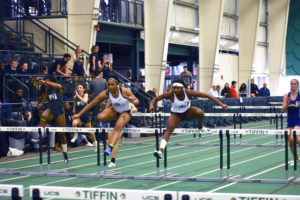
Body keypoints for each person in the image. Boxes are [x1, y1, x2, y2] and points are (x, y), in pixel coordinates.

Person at [149, 79, 227, 159]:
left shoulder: (188, 92)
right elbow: (155, 99)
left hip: (187, 113)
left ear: (182, 88)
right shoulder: (171, 94)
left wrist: (221, 104)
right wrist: (151, 105)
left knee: (200, 112)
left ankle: (200, 127)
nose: (175, 90)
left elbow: (207, 96)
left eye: (177, 88)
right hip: (176, 115)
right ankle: (160, 151)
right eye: (174, 88)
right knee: (168, 130)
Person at [73, 75, 139, 156]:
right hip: (115, 111)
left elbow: (137, 101)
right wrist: (79, 114)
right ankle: (106, 123)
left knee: (118, 126)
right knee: (99, 117)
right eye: (109, 85)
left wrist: (132, 100)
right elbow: (91, 103)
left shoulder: (124, 91)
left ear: (117, 84)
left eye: (112, 85)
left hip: (126, 112)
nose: (110, 87)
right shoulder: (106, 92)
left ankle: (110, 148)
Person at [37, 75, 69, 163]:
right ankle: (40, 135)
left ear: (51, 81)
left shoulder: (57, 87)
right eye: (45, 81)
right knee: (43, 115)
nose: (45, 83)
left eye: (47, 81)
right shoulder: (47, 89)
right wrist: (41, 103)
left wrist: (45, 82)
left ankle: (65, 154)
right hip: (51, 111)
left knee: (62, 135)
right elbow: (45, 96)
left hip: (60, 113)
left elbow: (58, 86)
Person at [105, 100, 138, 168]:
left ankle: (112, 161)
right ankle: (111, 151)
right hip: (112, 121)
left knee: (115, 142)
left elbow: (134, 109)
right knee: (109, 142)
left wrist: (127, 111)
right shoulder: (111, 99)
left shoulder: (126, 102)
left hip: (121, 122)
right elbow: (106, 108)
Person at [71, 83, 97, 148]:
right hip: (78, 116)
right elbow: (74, 102)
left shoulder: (86, 95)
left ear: (83, 89)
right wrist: (74, 109)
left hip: (85, 116)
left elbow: (85, 101)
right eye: (78, 88)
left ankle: (95, 143)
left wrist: (78, 96)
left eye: (80, 88)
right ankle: (75, 135)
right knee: (74, 123)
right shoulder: (75, 97)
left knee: (90, 132)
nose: (79, 89)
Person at [282, 79, 300, 164]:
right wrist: (286, 103)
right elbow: (283, 109)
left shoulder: (299, 96)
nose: (293, 85)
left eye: (294, 84)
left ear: (297, 85)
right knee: (290, 142)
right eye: (291, 84)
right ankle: (296, 158)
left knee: (294, 137)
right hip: (290, 121)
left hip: (298, 120)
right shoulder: (286, 95)